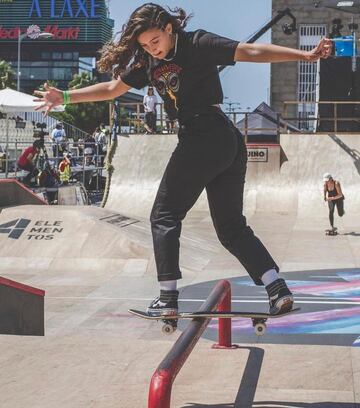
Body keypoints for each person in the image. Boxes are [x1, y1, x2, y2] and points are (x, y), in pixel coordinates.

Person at [34, 3, 332, 316]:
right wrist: (65, 97)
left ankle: (167, 298)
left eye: (156, 41)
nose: (153, 50)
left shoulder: (198, 43)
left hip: (205, 133)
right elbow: (112, 88)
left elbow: (251, 52)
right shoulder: (148, 62)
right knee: (231, 227)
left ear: (169, 28)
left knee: (163, 215)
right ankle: (277, 288)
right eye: (145, 46)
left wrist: (306, 56)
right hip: (226, 140)